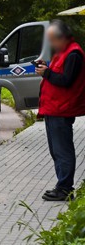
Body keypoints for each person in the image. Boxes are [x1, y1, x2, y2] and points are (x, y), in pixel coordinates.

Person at [35, 20, 85, 201]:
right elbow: (57, 74)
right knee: (56, 150)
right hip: (53, 109)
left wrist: (46, 73)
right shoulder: (63, 52)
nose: (51, 44)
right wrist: (45, 67)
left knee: (62, 150)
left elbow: (66, 81)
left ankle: (65, 188)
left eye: (52, 40)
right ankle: (62, 185)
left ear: (61, 37)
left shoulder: (74, 54)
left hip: (62, 110)